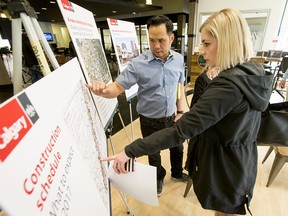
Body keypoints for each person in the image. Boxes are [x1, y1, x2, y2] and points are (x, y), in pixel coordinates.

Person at [101, 8, 273, 216]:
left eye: (207, 44)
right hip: (237, 160)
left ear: (227, 42)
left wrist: (129, 150)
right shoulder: (251, 73)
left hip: (226, 166)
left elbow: (180, 131)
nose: (201, 50)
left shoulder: (228, 86)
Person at [86, 15, 188, 196]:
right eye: (152, 40)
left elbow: (180, 86)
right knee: (153, 153)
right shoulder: (138, 64)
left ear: (171, 38)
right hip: (150, 121)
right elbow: (116, 87)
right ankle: (158, 177)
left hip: (172, 117)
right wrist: (102, 90)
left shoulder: (179, 60)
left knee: (178, 147)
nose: (156, 46)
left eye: (161, 40)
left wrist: (180, 111)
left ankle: (177, 172)